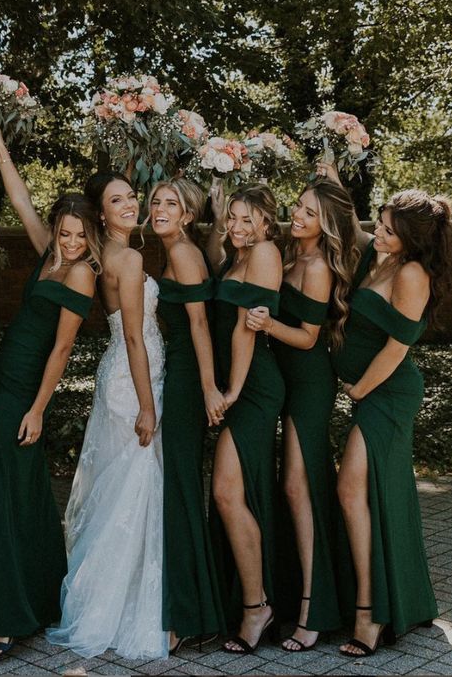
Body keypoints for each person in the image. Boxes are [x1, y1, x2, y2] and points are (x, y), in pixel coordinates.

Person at [0, 120, 99, 665]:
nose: (68, 241)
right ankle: (32, 597)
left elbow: (62, 350)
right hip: (5, 384)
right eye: (64, 231)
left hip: (22, 398)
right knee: (15, 499)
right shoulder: (49, 255)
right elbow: (19, 199)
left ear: (90, 237)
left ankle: (7, 611)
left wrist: (38, 409)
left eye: (78, 235)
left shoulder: (80, 275)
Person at [318, 165, 451, 657]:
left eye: (390, 229)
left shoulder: (412, 273)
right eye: (380, 222)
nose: (379, 233)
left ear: (411, 239)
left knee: (351, 488)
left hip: (389, 394)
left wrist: (357, 390)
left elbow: (397, 348)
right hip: (368, 392)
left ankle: (370, 614)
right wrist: (334, 180)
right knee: (368, 493)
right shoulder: (378, 255)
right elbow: (351, 227)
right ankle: (386, 598)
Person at [46, 172, 167, 660]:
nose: (131, 205)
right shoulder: (129, 257)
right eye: (117, 200)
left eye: (132, 196)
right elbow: (136, 336)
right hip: (134, 378)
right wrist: (147, 404)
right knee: (134, 487)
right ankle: (123, 606)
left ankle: (106, 597)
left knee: (121, 489)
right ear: (100, 212)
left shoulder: (93, 257)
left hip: (120, 373)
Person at [244, 178, 359, 650]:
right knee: (284, 486)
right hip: (277, 378)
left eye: (311, 213)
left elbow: (309, 337)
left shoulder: (317, 267)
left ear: (327, 223)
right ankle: (293, 596)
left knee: (299, 484)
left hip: (310, 381)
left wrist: (268, 323)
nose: (300, 216)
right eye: (299, 207)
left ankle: (317, 608)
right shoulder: (286, 251)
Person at [206, 184, 283, 654]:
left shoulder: (267, 253)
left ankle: (257, 607)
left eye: (247, 220)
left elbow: (245, 328)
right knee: (232, 495)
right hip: (236, 383)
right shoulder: (231, 257)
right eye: (232, 218)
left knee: (227, 493)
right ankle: (251, 602)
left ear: (267, 224)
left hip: (254, 386)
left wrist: (231, 390)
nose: (236, 227)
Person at [151, 178, 226, 653]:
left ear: (187, 215)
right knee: (177, 487)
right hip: (175, 373)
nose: (159, 208)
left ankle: (189, 615)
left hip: (185, 382)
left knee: (179, 489)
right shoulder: (181, 248)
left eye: (170, 203)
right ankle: (194, 608)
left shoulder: (181, 252)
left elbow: (200, 323)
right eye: (155, 200)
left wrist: (206, 389)